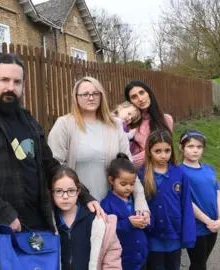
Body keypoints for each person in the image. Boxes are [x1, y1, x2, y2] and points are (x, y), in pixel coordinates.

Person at [0, 54, 101, 269]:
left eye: (17, 82)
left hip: (38, 226)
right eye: (4, 80)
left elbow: (51, 165)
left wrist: (83, 195)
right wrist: (5, 214)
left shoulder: (27, 119)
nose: (11, 87)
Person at [47, 77, 149, 219]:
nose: (91, 98)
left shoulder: (114, 126)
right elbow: (54, 167)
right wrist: (83, 196)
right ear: (76, 98)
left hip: (111, 209)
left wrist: (141, 203)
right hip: (76, 208)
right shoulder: (64, 125)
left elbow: (129, 167)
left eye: (96, 93)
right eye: (85, 94)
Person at [137, 130, 196, 270]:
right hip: (152, 235)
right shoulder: (141, 176)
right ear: (149, 151)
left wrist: (188, 235)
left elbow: (186, 206)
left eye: (167, 150)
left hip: (173, 234)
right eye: (158, 151)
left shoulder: (180, 175)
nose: (163, 155)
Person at [52, 167, 122, 269]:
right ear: (52, 193)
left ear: (78, 191)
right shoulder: (49, 223)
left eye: (71, 191)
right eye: (59, 191)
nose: (65, 196)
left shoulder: (96, 221)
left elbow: (112, 260)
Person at [178, 130, 220, 270]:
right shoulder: (179, 172)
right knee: (198, 263)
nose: (195, 151)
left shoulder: (208, 169)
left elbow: (217, 193)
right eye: (191, 146)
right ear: (181, 147)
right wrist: (207, 221)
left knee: (203, 261)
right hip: (196, 227)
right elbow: (186, 201)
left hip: (213, 226)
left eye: (199, 147)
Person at [101, 153, 149, 270]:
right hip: (122, 259)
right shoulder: (107, 204)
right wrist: (129, 223)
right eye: (123, 184)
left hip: (140, 256)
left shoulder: (135, 201)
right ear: (111, 180)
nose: (128, 188)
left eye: (132, 184)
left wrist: (145, 221)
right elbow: (107, 230)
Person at [124, 81, 173, 169]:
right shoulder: (129, 123)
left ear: (149, 93)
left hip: (161, 172)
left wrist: (130, 162)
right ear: (130, 102)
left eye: (141, 93)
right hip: (136, 174)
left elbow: (166, 149)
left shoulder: (166, 120)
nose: (140, 99)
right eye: (134, 97)